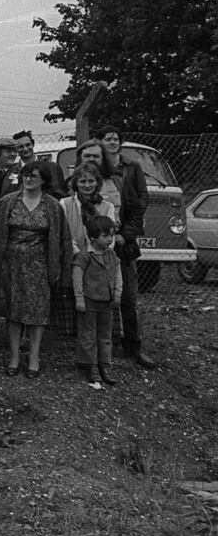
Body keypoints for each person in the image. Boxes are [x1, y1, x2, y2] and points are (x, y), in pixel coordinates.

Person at [0, 161, 70, 378]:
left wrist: (60, 270)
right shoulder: (7, 202)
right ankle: (14, 356)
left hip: (40, 267)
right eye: (25, 175)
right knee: (13, 311)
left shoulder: (53, 206)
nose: (28, 179)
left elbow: (63, 239)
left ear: (44, 179)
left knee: (37, 313)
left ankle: (34, 356)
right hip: (11, 266)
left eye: (34, 176)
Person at [95, 124, 153, 368]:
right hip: (98, 241)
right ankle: (100, 347)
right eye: (108, 139)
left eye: (116, 138)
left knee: (128, 295)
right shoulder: (93, 168)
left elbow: (140, 202)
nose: (112, 142)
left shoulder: (132, 167)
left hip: (122, 242)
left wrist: (126, 236)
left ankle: (133, 346)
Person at [74, 216, 122, 387]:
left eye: (111, 235)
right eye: (105, 236)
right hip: (89, 301)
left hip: (106, 303)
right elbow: (77, 277)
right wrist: (79, 299)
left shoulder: (112, 255)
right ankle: (90, 365)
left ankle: (105, 365)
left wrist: (117, 294)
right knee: (88, 335)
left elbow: (118, 275)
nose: (110, 239)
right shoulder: (85, 256)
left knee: (105, 335)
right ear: (93, 237)